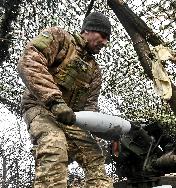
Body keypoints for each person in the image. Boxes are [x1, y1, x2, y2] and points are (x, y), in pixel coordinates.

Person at [18, 11, 113, 188]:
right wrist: (54, 101)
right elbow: (30, 60)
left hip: (70, 119)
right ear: (89, 30)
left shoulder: (94, 71)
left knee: (94, 155)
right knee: (55, 146)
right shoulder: (60, 38)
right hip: (40, 108)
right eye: (103, 36)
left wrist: (105, 130)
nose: (105, 43)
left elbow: (90, 108)